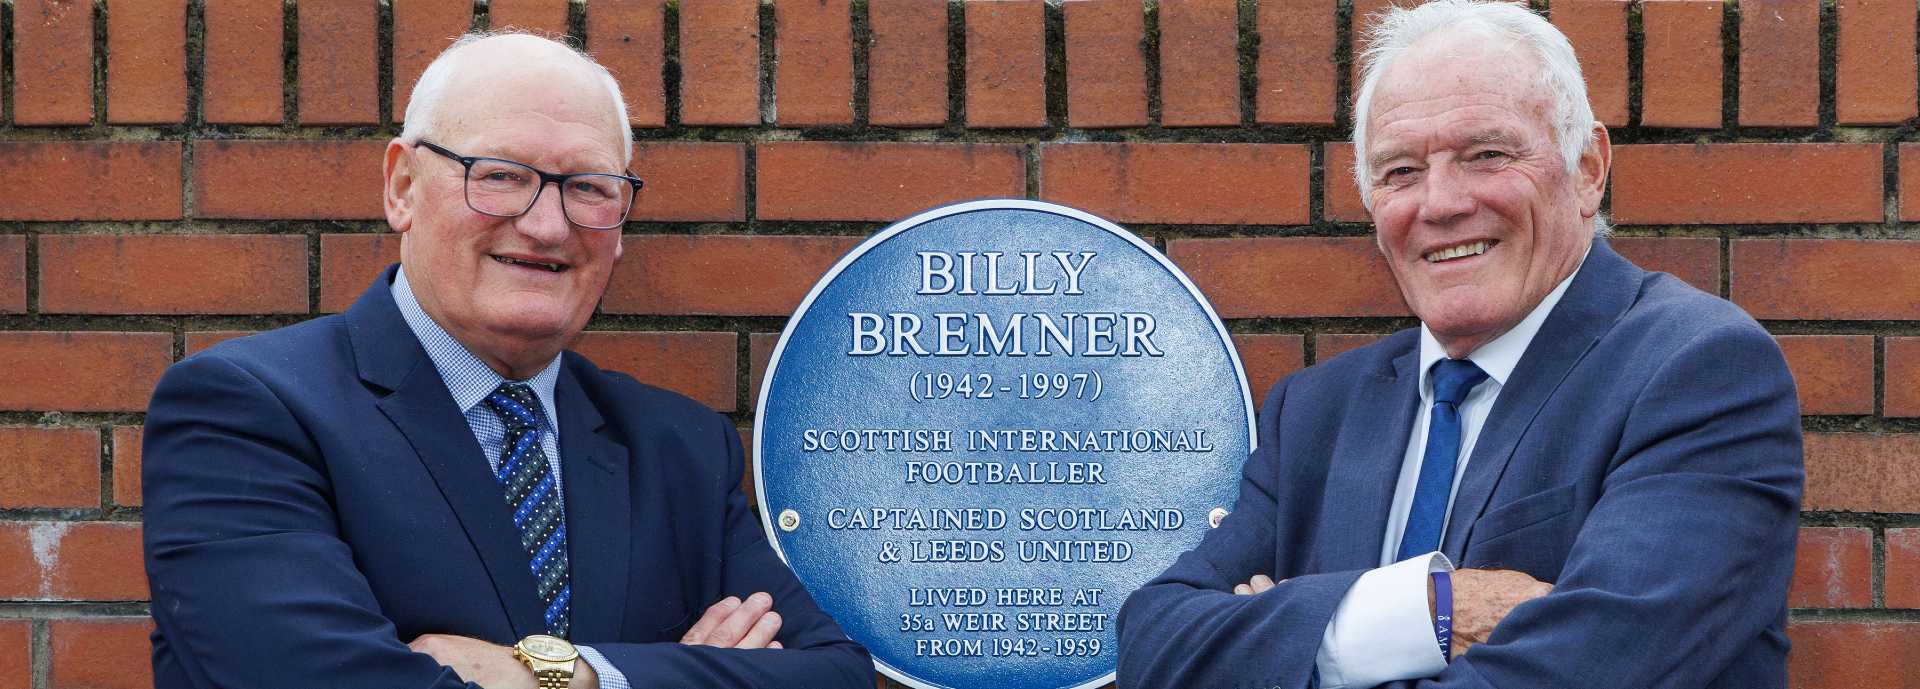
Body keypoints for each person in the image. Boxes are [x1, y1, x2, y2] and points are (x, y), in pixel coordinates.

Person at [141, 32, 871, 689]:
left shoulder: (677, 446)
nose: (548, 225)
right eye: (500, 175)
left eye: (589, 187)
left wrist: (572, 672)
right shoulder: (246, 412)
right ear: (402, 187)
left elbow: (834, 674)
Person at [1116, 2, 1802, 688]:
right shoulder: (1315, 411)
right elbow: (1155, 642)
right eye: (1400, 172)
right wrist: (1433, 611)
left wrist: (1286, 637)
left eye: (1487, 155)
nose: (1439, 203)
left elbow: (1593, 666)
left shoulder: (1699, 371)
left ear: (1588, 169)